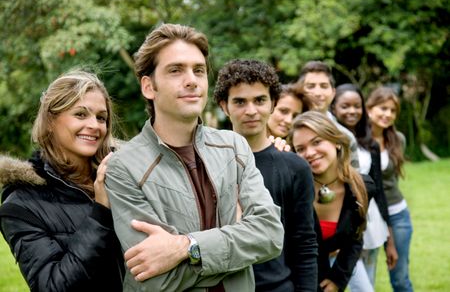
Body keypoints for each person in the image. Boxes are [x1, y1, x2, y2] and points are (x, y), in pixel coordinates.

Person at [104, 23, 284, 291]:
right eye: (176, 70)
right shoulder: (123, 166)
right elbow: (154, 279)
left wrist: (185, 247)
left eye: (198, 70)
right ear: (148, 86)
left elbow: (269, 236)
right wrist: (236, 243)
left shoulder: (234, 147)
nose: (192, 80)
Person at [0, 70, 124, 291]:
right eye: (80, 114)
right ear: (50, 121)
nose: (95, 125)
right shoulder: (20, 206)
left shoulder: (124, 177)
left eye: (101, 117)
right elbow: (51, 286)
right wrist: (101, 211)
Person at [214, 59, 318, 291]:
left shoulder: (295, 168)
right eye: (240, 102)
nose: (251, 111)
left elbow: (304, 244)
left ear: (273, 104)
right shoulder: (206, 162)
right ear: (224, 106)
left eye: (260, 100)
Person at [288, 111, 374, 292]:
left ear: (336, 142)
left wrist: (338, 279)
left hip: (334, 272)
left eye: (317, 142)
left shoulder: (362, 186)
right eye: (300, 149)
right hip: (296, 277)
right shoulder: (292, 189)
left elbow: (356, 237)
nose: (310, 153)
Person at [331, 83, 398, 291]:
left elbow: (378, 191)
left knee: (368, 281)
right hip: (343, 224)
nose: (352, 111)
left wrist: (390, 236)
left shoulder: (370, 144)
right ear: (333, 108)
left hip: (372, 222)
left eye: (356, 106)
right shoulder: (329, 141)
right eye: (345, 106)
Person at [366, 87, 413, 292]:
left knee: (400, 279)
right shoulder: (358, 140)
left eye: (393, 111)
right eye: (383, 108)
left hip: (397, 214)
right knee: (366, 280)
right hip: (370, 216)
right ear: (369, 108)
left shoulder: (398, 139)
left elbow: (392, 180)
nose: (388, 115)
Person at [297, 61, 360, 169]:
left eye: (324, 86)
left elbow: (354, 179)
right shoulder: (289, 128)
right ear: (301, 90)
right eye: (311, 86)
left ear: (333, 92)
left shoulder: (345, 136)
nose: (318, 93)